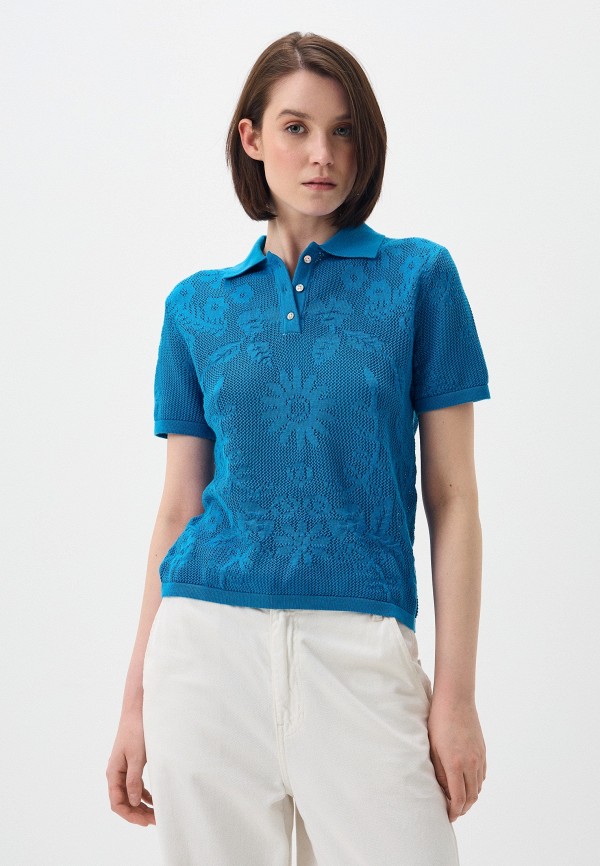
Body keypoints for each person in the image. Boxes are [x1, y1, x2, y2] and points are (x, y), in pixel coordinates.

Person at [106, 30, 489, 866]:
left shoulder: (419, 279)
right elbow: (177, 509)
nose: (323, 153)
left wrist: (455, 697)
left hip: (360, 651)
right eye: (296, 128)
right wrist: (134, 703)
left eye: (344, 130)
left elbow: (453, 497)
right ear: (251, 138)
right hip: (205, 655)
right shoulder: (196, 308)